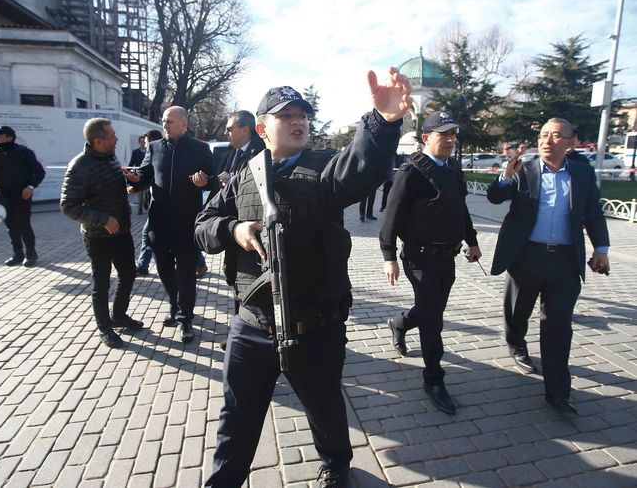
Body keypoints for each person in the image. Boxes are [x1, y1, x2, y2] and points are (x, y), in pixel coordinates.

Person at [195, 67, 411, 488]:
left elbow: (361, 167)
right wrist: (233, 230)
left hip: (314, 324)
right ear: (262, 128)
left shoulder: (325, 169)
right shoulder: (242, 175)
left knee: (325, 406)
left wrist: (383, 123)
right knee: (236, 418)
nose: (298, 122)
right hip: (252, 326)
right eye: (285, 116)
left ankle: (335, 465)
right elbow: (203, 225)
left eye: (303, 116)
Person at [487, 117, 609, 415]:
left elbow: (593, 214)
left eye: (555, 136)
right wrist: (505, 177)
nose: (547, 141)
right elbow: (494, 197)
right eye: (543, 135)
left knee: (557, 326)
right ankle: (516, 344)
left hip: (565, 262)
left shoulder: (582, 173)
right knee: (518, 311)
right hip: (526, 256)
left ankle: (557, 392)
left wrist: (601, 249)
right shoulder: (525, 169)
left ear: (571, 143)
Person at [380, 111, 482, 416]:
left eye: (453, 135)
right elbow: (391, 218)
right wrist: (388, 257)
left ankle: (399, 323)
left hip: (446, 258)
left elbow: (459, 209)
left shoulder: (452, 169)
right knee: (433, 318)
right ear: (426, 138)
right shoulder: (410, 173)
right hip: (418, 258)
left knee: (430, 310)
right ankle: (434, 378)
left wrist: (472, 240)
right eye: (443, 135)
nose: (450, 140)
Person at [126, 106, 215, 343]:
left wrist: (204, 182)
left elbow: (213, 180)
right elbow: (145, 175)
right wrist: (136, 179)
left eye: (170, 122)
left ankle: (185, 319)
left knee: (186, 274)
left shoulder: (199, 149)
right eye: (164, 121)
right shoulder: (154, 148)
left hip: (187, 223)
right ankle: (175, 306)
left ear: (184, 124)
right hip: (159, 223)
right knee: (165, 272)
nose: (165, 125)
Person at [60, 118, 143, 348]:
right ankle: (104, 327)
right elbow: (68, 206)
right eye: (112, 136)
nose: (116, 139)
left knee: (128, 274)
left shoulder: (110, 158)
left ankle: (118, 316)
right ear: (98, 141)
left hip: (122, 232)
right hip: (98, 237)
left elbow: (111, 188)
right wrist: (103, 219)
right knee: (102, 283)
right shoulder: (79, 166)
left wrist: (130, 180)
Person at [0, 125, 45, 267]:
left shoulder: (24, 152)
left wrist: (30, 187)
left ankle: (31, 254)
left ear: (9, 137)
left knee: (23, 224)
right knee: (11, 226)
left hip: (22, 195)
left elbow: (39, 172)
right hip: (3, 196)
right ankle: (18, 254)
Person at [132, 130, 163, 276]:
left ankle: (143, 265)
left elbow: (151, 177)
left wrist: (137, 181)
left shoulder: (158, 154)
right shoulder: (157, 152)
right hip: (158, 203)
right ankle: (143, 264)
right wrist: (136, 184)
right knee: (147, 233)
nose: (144, 145)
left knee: (147, 233)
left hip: (163, 204)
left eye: (145, 142)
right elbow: (149, 178)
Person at [129, 135, 149, 215]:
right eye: (141, 142)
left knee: (146, 193)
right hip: (139, 175)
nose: (143, 143)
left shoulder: (149, 151)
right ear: (139, 143)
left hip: (147, 175)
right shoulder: (135, 152)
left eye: (144, 142)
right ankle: (140, 209)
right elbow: (131, 163)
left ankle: (145, 202)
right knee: (140, 193)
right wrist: (128, 171)